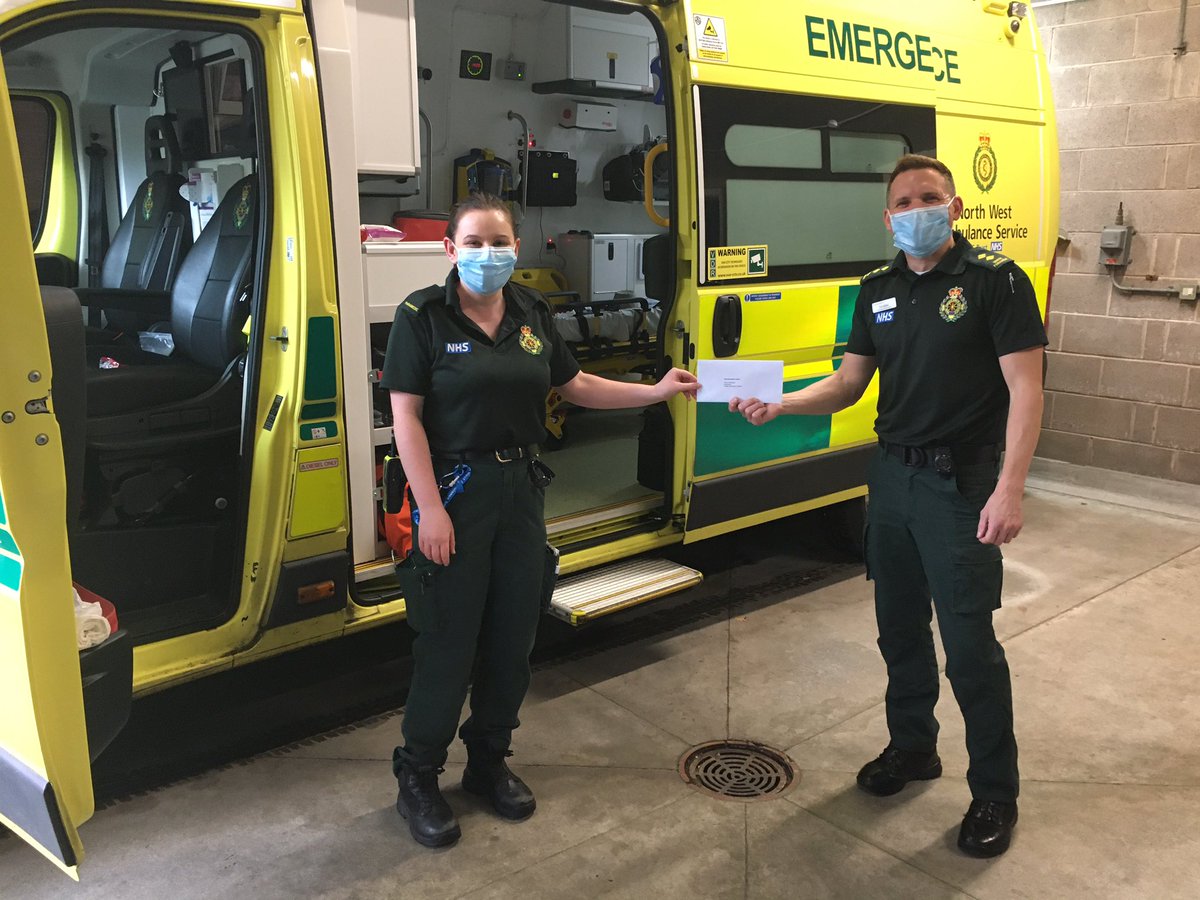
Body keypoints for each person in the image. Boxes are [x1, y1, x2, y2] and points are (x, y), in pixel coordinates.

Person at [730, 155, 1046, 858]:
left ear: (955, 207)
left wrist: (1010, 487)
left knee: (969, 648)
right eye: (902, 201)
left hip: (961, 487)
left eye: (929, 197)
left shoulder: (994, 281)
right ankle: (913, 747)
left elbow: (1026, 389)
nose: (915, 209)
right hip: (892, 480)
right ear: (887, 217)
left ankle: (996, 791)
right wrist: (781, 403)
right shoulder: (877, 289)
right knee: (899, 630)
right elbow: (848, 383)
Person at [381, 192, 699, 848]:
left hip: (521, 490)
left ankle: (488, 761)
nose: (487, 254)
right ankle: (419, 774)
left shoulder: (532, 312)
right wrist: (430, 509)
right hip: (454, 491)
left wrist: (655, 390)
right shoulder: (422, 316)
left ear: (516, 247)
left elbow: (574, 385)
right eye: (473, 242)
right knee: (447, 641)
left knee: (512, 637)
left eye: (498, 242)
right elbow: (404, 417)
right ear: (451, 249)